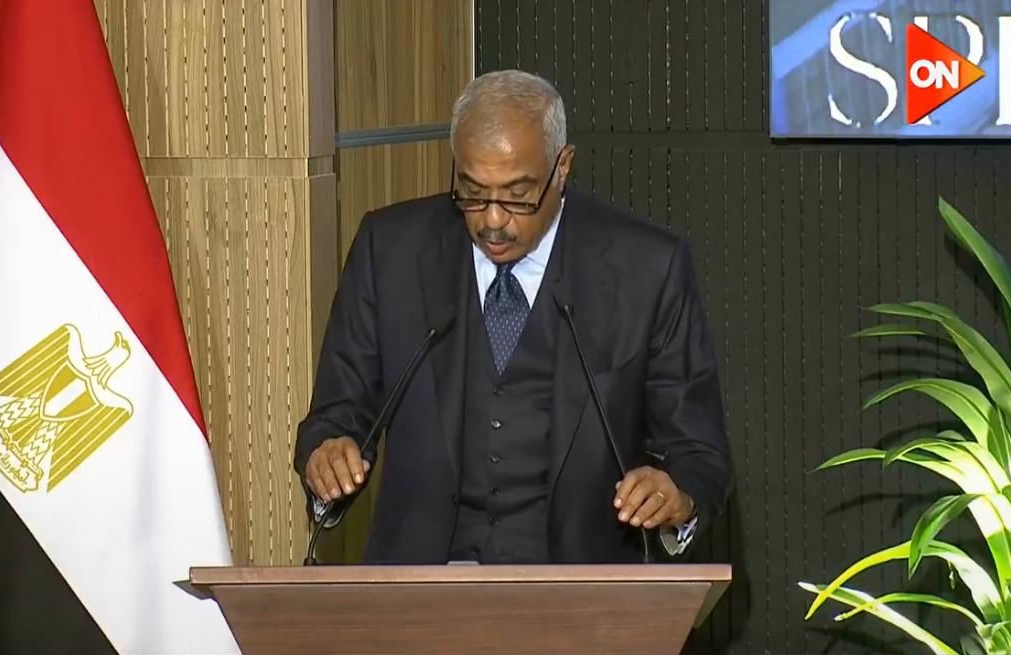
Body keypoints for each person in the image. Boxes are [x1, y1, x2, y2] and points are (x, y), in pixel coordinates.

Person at [293, 69, 731, 565]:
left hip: (582, 591)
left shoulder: (646, 269)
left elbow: (699, 453)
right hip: (421, 588)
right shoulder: (390, 250)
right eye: (472, 192)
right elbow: (336, 415)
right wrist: (327, 455)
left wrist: (677, 496)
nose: (492, 219)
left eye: (518, 195)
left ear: (562, 168)